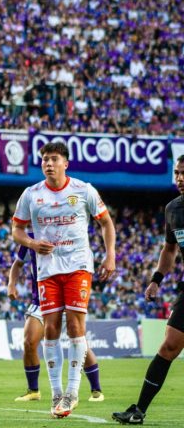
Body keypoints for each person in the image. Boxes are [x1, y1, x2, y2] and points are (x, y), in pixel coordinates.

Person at [12, 142, 115, 418]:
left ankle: (72, 392)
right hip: (47, 270)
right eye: (45, 159)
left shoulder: (83, 190)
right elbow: (17, 231)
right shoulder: (31, 194)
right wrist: (32, 244)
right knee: (51, 329)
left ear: (65, 163)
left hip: (78, 265)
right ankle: (56, 392)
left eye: (54, 159)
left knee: (75, 325)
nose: (48, 163)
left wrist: (110, 255)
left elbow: (106, 222)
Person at [112, 155, 184, 425]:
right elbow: (169, 248)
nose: (180, 178)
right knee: (168, 346)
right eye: (177, 173)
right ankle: (139, 411)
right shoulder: (173, 209)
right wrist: (156, 279)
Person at [8, 234, 104, 402]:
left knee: (81, 344)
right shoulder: (30, 239)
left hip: (67, 297)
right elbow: (18, 263)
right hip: (41, 299)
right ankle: (33, 391)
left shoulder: (68, 232)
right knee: (29, 342)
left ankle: (96, 390)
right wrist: (11, 284)